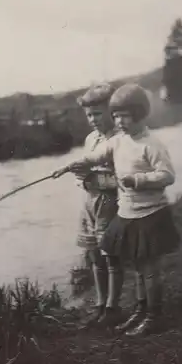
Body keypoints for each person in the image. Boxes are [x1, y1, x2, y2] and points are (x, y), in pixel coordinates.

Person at [54, 83, 180, 336]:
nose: (119, 122)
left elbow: (167, 175)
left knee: (148, 269)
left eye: (125, 116)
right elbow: (94, 157)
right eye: (116, 116)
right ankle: (141, 310)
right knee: (138, 264)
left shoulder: (151, 144)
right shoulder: (119, 141)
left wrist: (138, 180)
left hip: (150, 214)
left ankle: (154, 316)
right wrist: (70, 166)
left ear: (141, 114)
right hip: (128, 213)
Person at [71, 83, 124, 328]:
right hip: (89, 202)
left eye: (98, 113)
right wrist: (82, 175)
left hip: (110, 203)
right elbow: (89, 170)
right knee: (93, 254)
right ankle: (101, 304)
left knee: (110, 255)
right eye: (89, 115)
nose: (93, 119)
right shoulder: (91, 139)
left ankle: (113, 307)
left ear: (112, 111)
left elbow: (123, 179)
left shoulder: (121, 138)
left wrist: (94, 179)